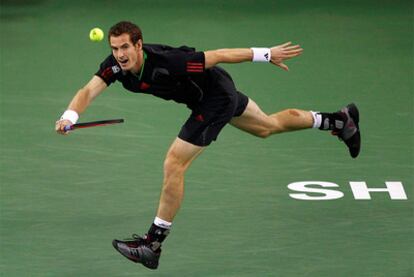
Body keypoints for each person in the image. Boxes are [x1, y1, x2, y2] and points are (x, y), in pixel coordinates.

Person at [55, 21, 361, 270]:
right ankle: (339, 121)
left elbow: (218, 55)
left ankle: (153, 244)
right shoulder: (116, 67)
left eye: (125, 47)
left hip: (215, 97)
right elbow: (89, 89)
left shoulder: (169, 62)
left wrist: (266, 53)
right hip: (205, 96)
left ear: (138, 45)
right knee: (267, 126)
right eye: (115, 48)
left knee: (174, 162)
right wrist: (70, 115)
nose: (120, 54)